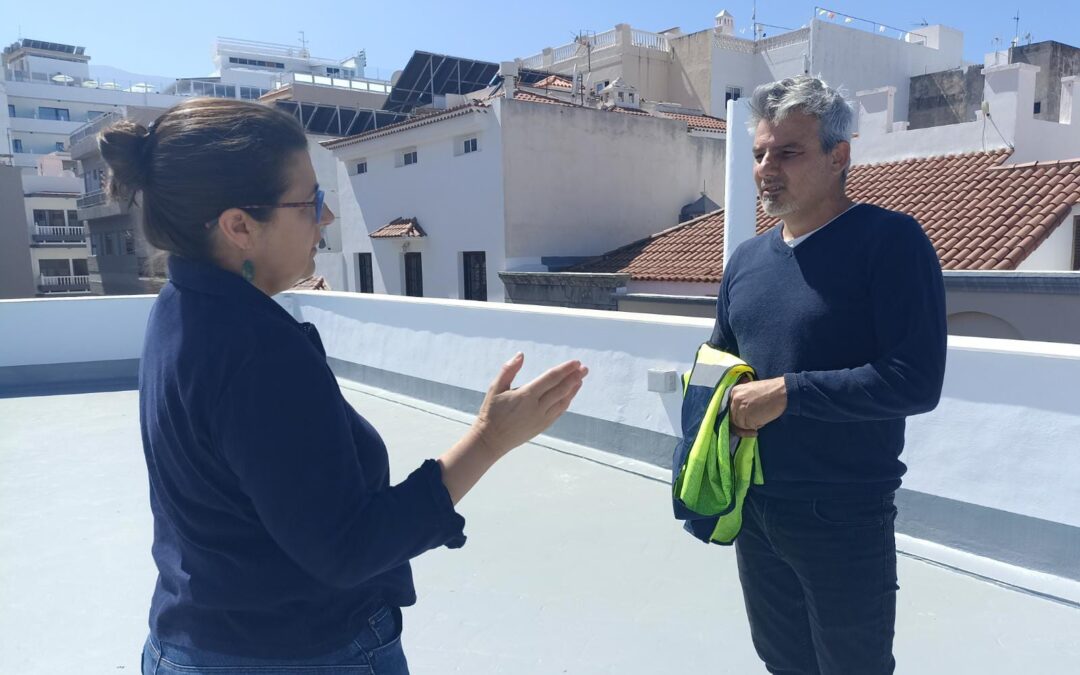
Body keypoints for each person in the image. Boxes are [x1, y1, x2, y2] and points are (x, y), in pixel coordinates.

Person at [100, 98, 588, 674]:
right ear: (239, 227)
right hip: (295, 654)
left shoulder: (179, 308)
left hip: (190, 642)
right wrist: (489, 438)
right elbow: (348, 548)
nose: (326, 220)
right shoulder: (257, 354)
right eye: (310, 204)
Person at [710, 76, 947, 674]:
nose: (767, 167)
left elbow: (915, 380)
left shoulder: (890, 242)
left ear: (839, 156)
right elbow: (723, 364)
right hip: (755, 506)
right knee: (782, 660)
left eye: (788, 152)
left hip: (843, 513)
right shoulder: (746, 260)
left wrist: (789, 393)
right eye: (761, 152)